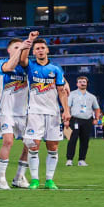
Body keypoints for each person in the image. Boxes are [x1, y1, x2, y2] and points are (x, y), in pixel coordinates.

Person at [24, 37, 71, 189]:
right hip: (35, 112)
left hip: (53, 113)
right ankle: (35, 179)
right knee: (33, 146)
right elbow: (22, 59)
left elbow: (61, 91)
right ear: (34, 52)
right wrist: (28, 41)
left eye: (42, 48)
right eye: (37, 48)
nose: (40, 50)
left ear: (47, 50)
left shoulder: (56, 69)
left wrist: (66, 110)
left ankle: (49, 180)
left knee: (53, 147)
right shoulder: (30, 66)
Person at [0, 35, 36, 189]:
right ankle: (1, 178)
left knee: (30, 144)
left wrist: (64, 82)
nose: (19, 50)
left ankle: (19, 177)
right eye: (15, 47)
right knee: (8, 141)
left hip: (24, 111)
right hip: (6, 111)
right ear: (9, 50)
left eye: (21, 47)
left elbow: (43, 69)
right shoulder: (2, 63)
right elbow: (9, 68)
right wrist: (21, 49)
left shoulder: (27, 67)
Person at [65, 75, 102, 166]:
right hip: (75, 119)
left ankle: (81, 160)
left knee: (85, 140)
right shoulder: (72, 94)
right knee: (73, 139)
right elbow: (67, 107)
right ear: (77, 84)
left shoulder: (91, 96)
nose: (82, 83)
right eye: (80, 82)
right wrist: (66, 119)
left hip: (87, 120)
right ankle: (69, 159)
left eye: (84, 82)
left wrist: (97, 118)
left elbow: (97, 108)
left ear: (87, 84)